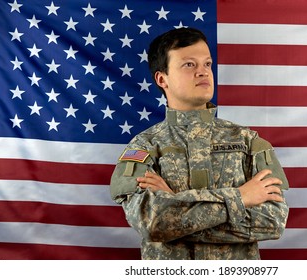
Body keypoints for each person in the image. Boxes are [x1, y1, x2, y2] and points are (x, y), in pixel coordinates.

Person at [110, 27, 289, 260]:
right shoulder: (143, 147)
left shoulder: (248, 142)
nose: (203, 72)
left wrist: (175, 206)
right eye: (189, 65)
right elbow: (153, 222)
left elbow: (273, 221)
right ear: (162, 78)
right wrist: (241, 197)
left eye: (207, 64)